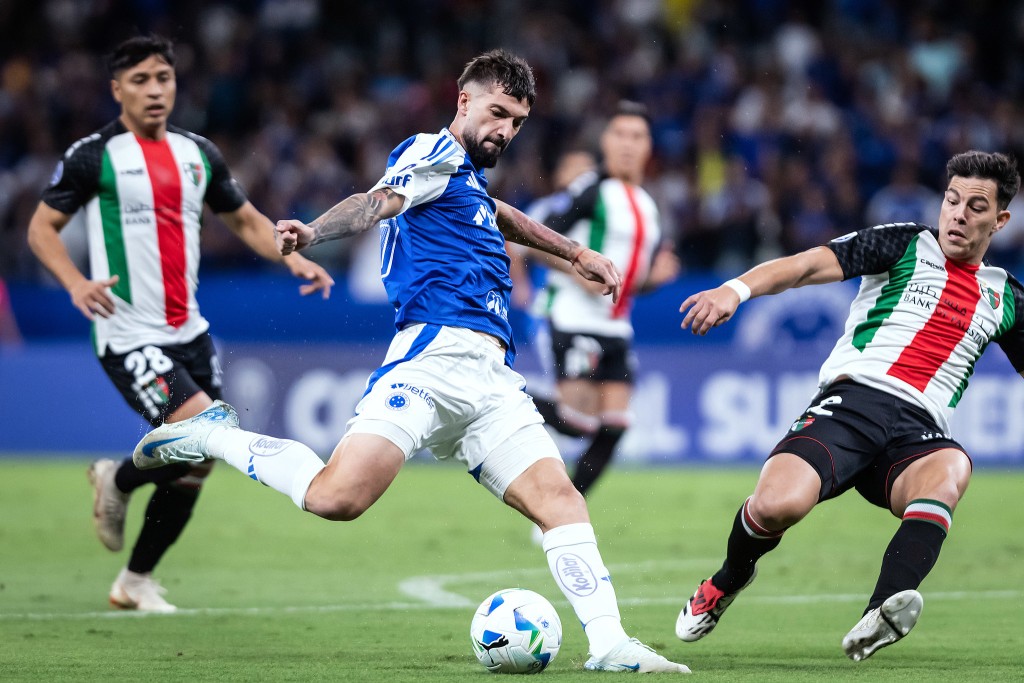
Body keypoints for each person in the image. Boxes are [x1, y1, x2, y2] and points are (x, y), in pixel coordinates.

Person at [131, 49, 689, 673]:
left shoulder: (464, 179)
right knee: (336, 498)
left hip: (492, 378)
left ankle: (610, 644)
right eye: (497, 113)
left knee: (561, 499)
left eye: (517, 122)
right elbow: (378, 201)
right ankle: (212, 433)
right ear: (464, 101)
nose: (505, 131)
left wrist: (574, 252)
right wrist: (315, 232)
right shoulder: (431, 151)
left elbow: (497, 213)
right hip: (431, 360)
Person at [26, 35, 334, 613]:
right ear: (117, 90)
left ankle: (134, 579)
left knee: (199, 460)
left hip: (189, 332)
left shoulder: (199, 154)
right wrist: (74, 283)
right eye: (140, 80)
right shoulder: (94, 156)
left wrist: (290, 256)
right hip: (127, 333)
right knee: (203, 430)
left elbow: (244, 220)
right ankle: (120, 481)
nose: (154, 90)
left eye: (163, 78)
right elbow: (41, 228)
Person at [675, 150, 1023, 661]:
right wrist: (736, 290)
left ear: (1000, 220)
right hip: (851, 405)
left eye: (976, 207)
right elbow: (806, 265)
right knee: (775, 506)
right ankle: (728, 579)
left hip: (918, 433)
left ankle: (881, 613)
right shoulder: (904, 243)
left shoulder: (1006, 297)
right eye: (952, 201)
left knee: (952, 467)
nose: (958, 215)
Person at [531, 102, 680, 500]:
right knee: (576, 422)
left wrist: (653, 281)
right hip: (574, 317)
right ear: (606, 142)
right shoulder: (590, 189)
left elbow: (627, 281)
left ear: (649, 146)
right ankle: (505, 394)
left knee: (614, 425)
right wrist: (575, 272)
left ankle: (565, 508)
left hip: (617, 326)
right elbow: (535, 242)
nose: (628, 144)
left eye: (637, 136)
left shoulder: (649, 205)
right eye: (620, 135)